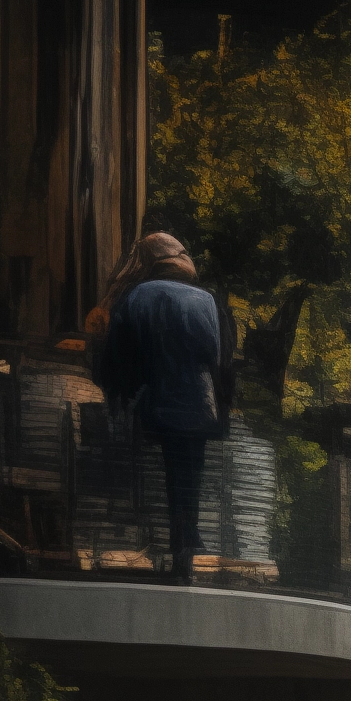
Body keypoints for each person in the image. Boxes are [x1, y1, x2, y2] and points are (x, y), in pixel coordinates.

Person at [85, 231, 234, 582]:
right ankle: (185, 539)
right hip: (198, 405)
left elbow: (116, 361)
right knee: (188, 472)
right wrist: (222, 409)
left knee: (153, 472)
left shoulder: (135, 297)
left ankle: (157, 542)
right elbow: (220, 362)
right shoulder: (209, 302)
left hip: (152, 405)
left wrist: (116, 395)